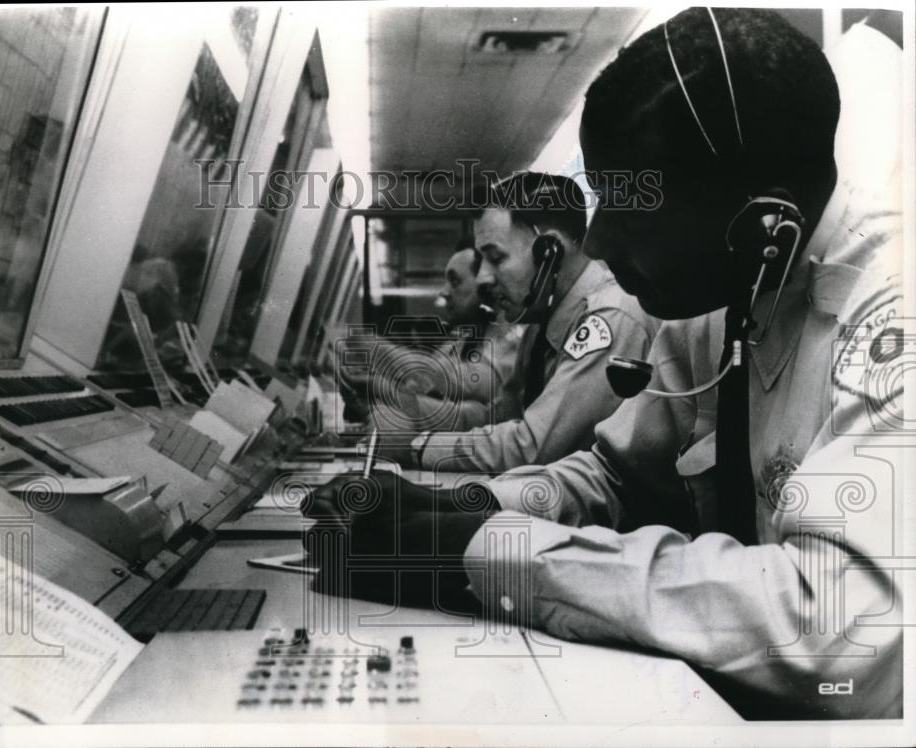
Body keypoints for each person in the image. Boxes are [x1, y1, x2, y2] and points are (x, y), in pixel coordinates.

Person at [302, 8, 905, 719]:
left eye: (629, 204)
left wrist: (497, 549)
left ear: (753, 216)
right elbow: (619, 474)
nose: (600, 240)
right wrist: (468, 506)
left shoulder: (892, 308)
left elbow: (844, 638)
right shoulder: (723, 292)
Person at [380, 172, 659, 474]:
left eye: (496, 258)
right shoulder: (540, 325)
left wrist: (418, 447)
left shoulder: (610, 319)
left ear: (549, 252)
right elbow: (500, 418)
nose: (483, 278)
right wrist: (415, 422)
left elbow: (535, 446)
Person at [338, 241, 524, 431]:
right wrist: (368, 399)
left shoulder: (512, 340)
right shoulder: (460, 342)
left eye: (455, 281)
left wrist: (379, 350)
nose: (444, 292)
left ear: (484, 284)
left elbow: (463, 384)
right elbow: (418, 393)